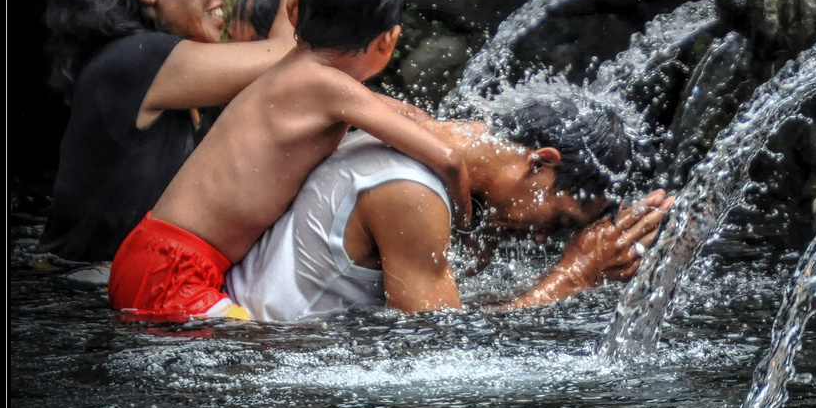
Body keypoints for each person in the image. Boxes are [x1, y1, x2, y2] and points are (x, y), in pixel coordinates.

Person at [107, 0, 470, 323]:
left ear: (293, 12)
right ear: (389, 41)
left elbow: (399, 113)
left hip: (152, 252)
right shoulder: (328, 87)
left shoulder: (295, 73)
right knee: (264, 355)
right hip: (174, 272)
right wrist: (465, 225)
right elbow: (447, 160)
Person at [40, 0, 309, 262]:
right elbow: (286, 54)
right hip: (86, 296)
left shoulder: (157, 65)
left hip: (114, 287)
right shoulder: (135, 59)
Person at [225, 99, 673, 320]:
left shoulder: (412, 133)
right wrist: (574, 275)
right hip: (263, 357)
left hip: (250, 335)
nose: (540, 237)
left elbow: (448, 310)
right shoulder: (410, 190)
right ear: (542, 161)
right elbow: (442, 351)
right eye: (554, 221)